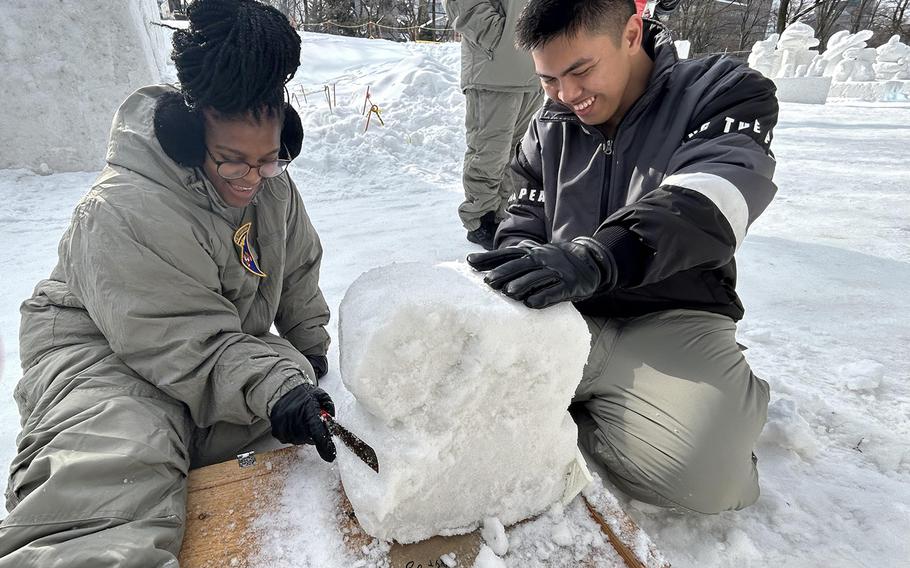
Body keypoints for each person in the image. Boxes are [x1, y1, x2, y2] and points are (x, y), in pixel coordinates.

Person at [0, 0, 337, 564]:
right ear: (186, 137)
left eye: (269, 161)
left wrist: (313, 360)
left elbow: (297, 271)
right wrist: (275, 385)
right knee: (124, 458)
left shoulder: (269, 187)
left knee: (287, 437)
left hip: (219, 353)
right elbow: (187, 342)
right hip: (104, 353)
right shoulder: (123, 209)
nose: (251, 179)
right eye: (231, 161)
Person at [467, 0, 778, 513]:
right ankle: (607, 413)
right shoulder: (550, 123)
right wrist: (521, 264)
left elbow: (714, 196)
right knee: (450, 405)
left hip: (672, 314)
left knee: (710, 482)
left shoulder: (723, 91)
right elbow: (524, 216)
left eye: (580, 70)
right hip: (567, 315)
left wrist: (597, 257)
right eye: (548, 80)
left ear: (631, 33)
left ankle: (728, 401)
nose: (567, 97)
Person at [444, 0, 544, 250]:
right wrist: (498, 36)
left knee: (519, 154)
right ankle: (480, 220)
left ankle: (503, 215)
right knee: (490, 151)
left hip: (533, 68)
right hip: (492, 69)